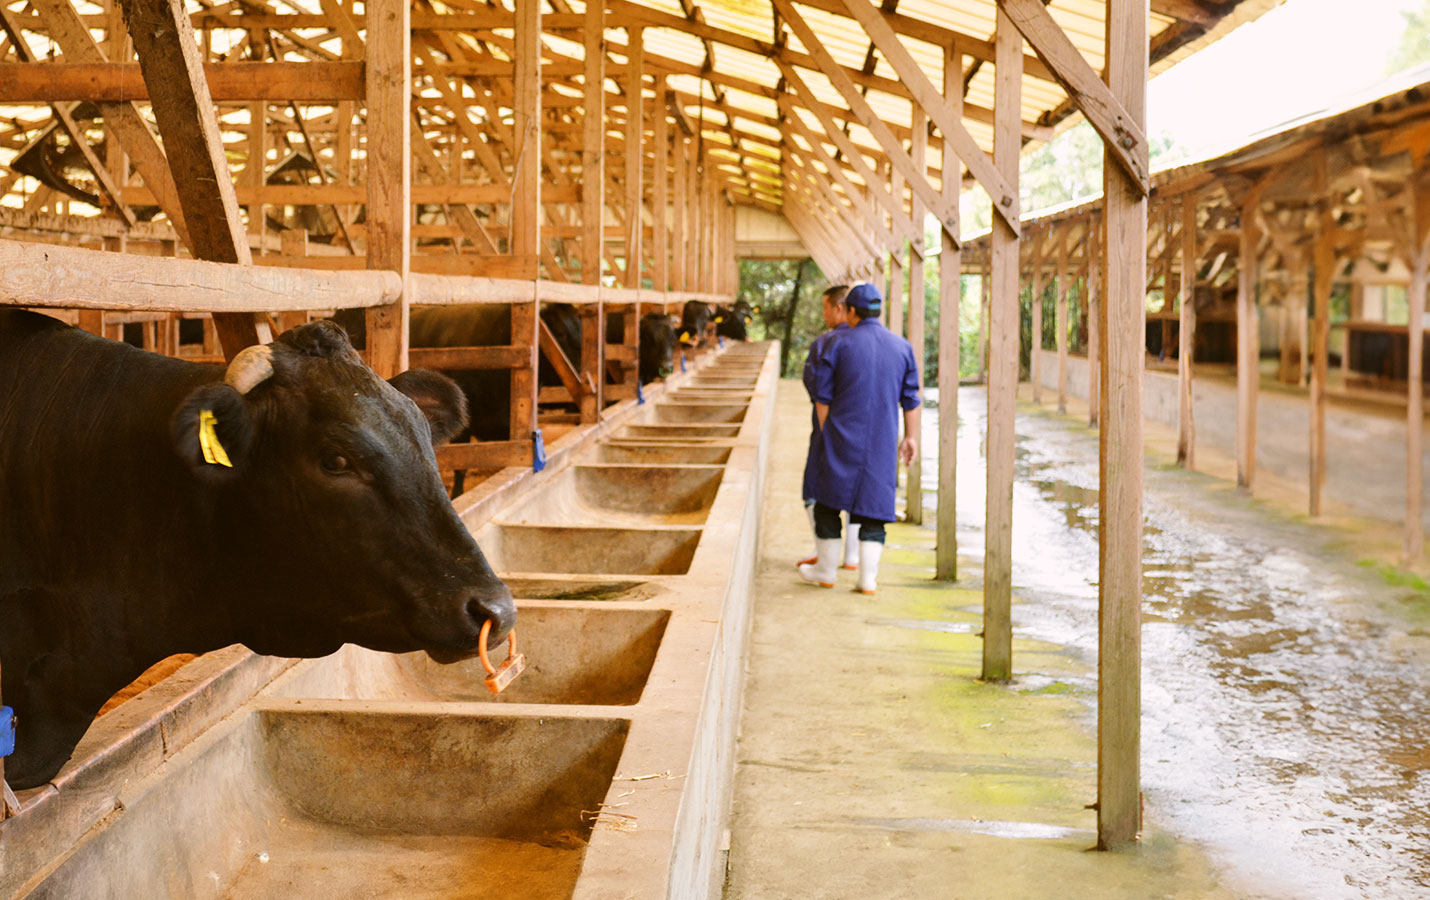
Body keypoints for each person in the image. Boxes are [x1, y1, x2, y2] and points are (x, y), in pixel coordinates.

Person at [798, 282, 921, 594]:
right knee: (873, 510)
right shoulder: (902, 347)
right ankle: (867, 579)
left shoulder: (835, 344)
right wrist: (910, 438)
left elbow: (822, 397)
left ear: (850, 311)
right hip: (881, 441)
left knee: (827, 504)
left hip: (840, 435)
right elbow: (911, 399)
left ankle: (826, 571)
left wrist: (828, 431)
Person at [797, 284, 861, 572]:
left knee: (815, 487)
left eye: (825, 307)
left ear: (839, 308)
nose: (823, 314)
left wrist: (826, 423)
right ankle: (852, 557)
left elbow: (815, 388)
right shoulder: (872, 343)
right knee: (857, 489)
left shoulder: (825, 344)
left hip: (827, 427)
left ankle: (825, 558)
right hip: (861, 428)